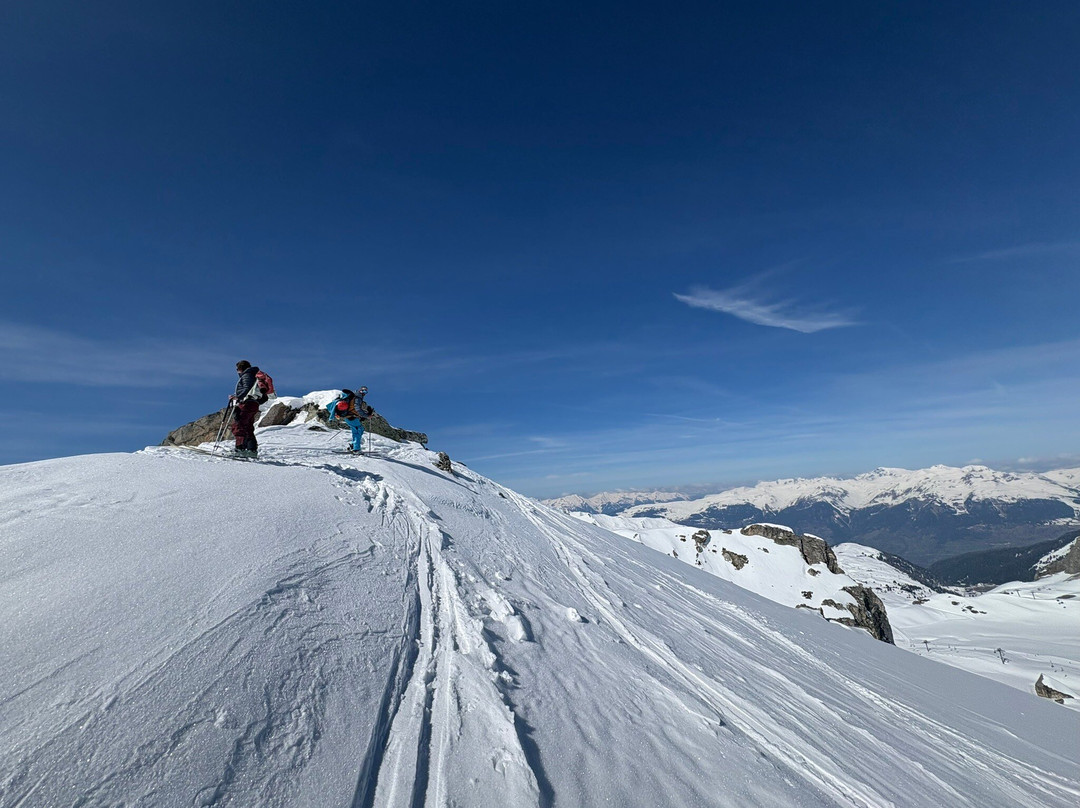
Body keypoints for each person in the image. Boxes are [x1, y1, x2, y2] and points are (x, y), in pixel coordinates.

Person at [229, 360, 265, 457]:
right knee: (248, 427)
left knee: (239, 425)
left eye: (237, 369)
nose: (237, 371)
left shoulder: (247, 375)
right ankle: (251, 450)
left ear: (240, 368)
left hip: (246, 403)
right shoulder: (254, 375)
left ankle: (240, 449)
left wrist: (238, 397)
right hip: (254, 403)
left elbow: (247, 387)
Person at [327, 386, 371, 452]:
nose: (364, 393)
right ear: (360, 391)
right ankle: (356, 449)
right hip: (351, 417)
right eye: (363, 391)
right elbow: (357, 409)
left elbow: (353, 409)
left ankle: (353, 445)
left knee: (357, 430)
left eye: (366, 391)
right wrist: (367, 415)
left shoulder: (352, 397)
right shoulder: (357, 397)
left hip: (348, 417)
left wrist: (363, 415)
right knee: (358, 430)